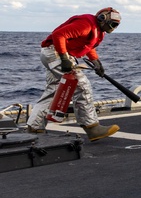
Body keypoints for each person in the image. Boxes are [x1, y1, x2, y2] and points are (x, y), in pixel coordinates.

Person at [27, 7, 122, 142]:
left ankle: (35, 127)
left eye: (116, 25)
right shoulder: (85, 25)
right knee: (82, 87)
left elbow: (88, 46)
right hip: (56, 53)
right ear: (103, 19)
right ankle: (91, 127)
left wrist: (96, 62)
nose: (114, 27)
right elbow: (58, 35)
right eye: (113, 24)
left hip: (51, 53)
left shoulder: (97, 30)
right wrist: (64, 59)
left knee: (53, 91)